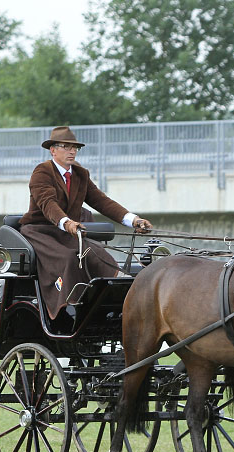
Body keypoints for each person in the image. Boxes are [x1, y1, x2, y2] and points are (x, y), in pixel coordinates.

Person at [20, 126, 153, 320]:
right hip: (41, 231)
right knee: (68, 257)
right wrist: (66, 222)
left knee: (97, 252)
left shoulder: (81, 174)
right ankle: (67, 308)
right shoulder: (42, 172)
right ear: (53, 150)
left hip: (69, 232)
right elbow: (48, 203)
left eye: (75, 147)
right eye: (66, 147)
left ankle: (118, 293)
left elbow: (102, 201)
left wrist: (133, 220)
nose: (72, 151)